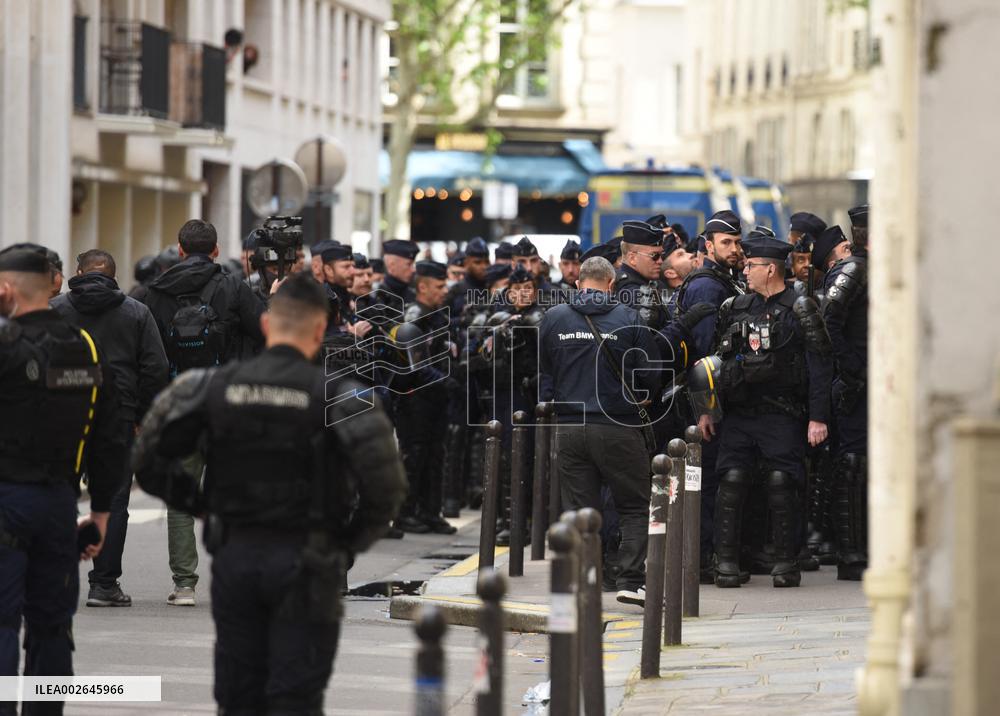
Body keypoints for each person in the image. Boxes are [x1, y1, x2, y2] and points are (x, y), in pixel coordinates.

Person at [132, 272, 406, 713]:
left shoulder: (208, 386)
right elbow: (386, 489)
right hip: (310, 559)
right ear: (321, 329)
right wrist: (346, 544)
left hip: (237, 554)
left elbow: (147, 458)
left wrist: (201, 506)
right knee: (296, 696)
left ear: (265, 325)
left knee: (239, 695)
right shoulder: (341, 396)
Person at [0, 248, 126, 708]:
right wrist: (101, 515)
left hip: (6, 502)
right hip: (58, 504)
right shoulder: (84, 348)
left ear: (6, 288)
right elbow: (110, 438)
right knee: (52, 625)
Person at [136, 219, 266, 606]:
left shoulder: (153, 293)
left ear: (178, 249)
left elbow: (147, 358)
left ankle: (185, 584)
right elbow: (265, 331)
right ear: (215, 250)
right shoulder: (232, 286)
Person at [696, 229, 833, 589]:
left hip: (781, 412)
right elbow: (714, 363)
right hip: (740, 413)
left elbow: (820, 364)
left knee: (782, 482)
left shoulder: (800, 308)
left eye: (751, 265)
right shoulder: (736, 307)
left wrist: (818, 417)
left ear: (770, 269)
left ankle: (785, 563)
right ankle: (725, 563)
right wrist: (707, 410)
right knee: (732, 479)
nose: (744, 270)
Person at [539, 256, 663, 607]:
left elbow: (544, 369)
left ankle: (584, 579)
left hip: (569, 427)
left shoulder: (555, 318)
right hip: (617, 426)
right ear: (612, 285)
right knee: (636, 505)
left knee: (580, 510)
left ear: (579, 283)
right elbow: (651, 371)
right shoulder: (628, 317)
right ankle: (630, 580)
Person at [50, 249, 169, 607]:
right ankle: (104, 584)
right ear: (114, 277)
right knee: (114, 500)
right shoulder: (136, 312)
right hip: (118, 415)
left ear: (78, 272)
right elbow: (156, 368)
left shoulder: (55, 310)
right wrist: (141, 416)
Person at [814, 224, 869, 580]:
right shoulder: (855, 270)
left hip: (877, 384)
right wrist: (852, 369)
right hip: (857, 386)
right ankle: (851, 554)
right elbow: (827, 320)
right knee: (852, 465)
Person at [393, 261, 457, 535]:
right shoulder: (415, 316)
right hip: (415, 398)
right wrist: (444, 381)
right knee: (415, 456)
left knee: (436, 455)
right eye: (439, 286)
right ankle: (406, 512)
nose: (445, 291)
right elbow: (413, 364)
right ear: (423, 286)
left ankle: (431, 512)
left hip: (436, 399)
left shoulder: (438, 314)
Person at [380, 239, 419, 303]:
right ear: (392, 266)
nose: (413, 270)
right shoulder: (378, 297)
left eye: (413, 264)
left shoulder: (413, 296)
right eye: (409, 264)